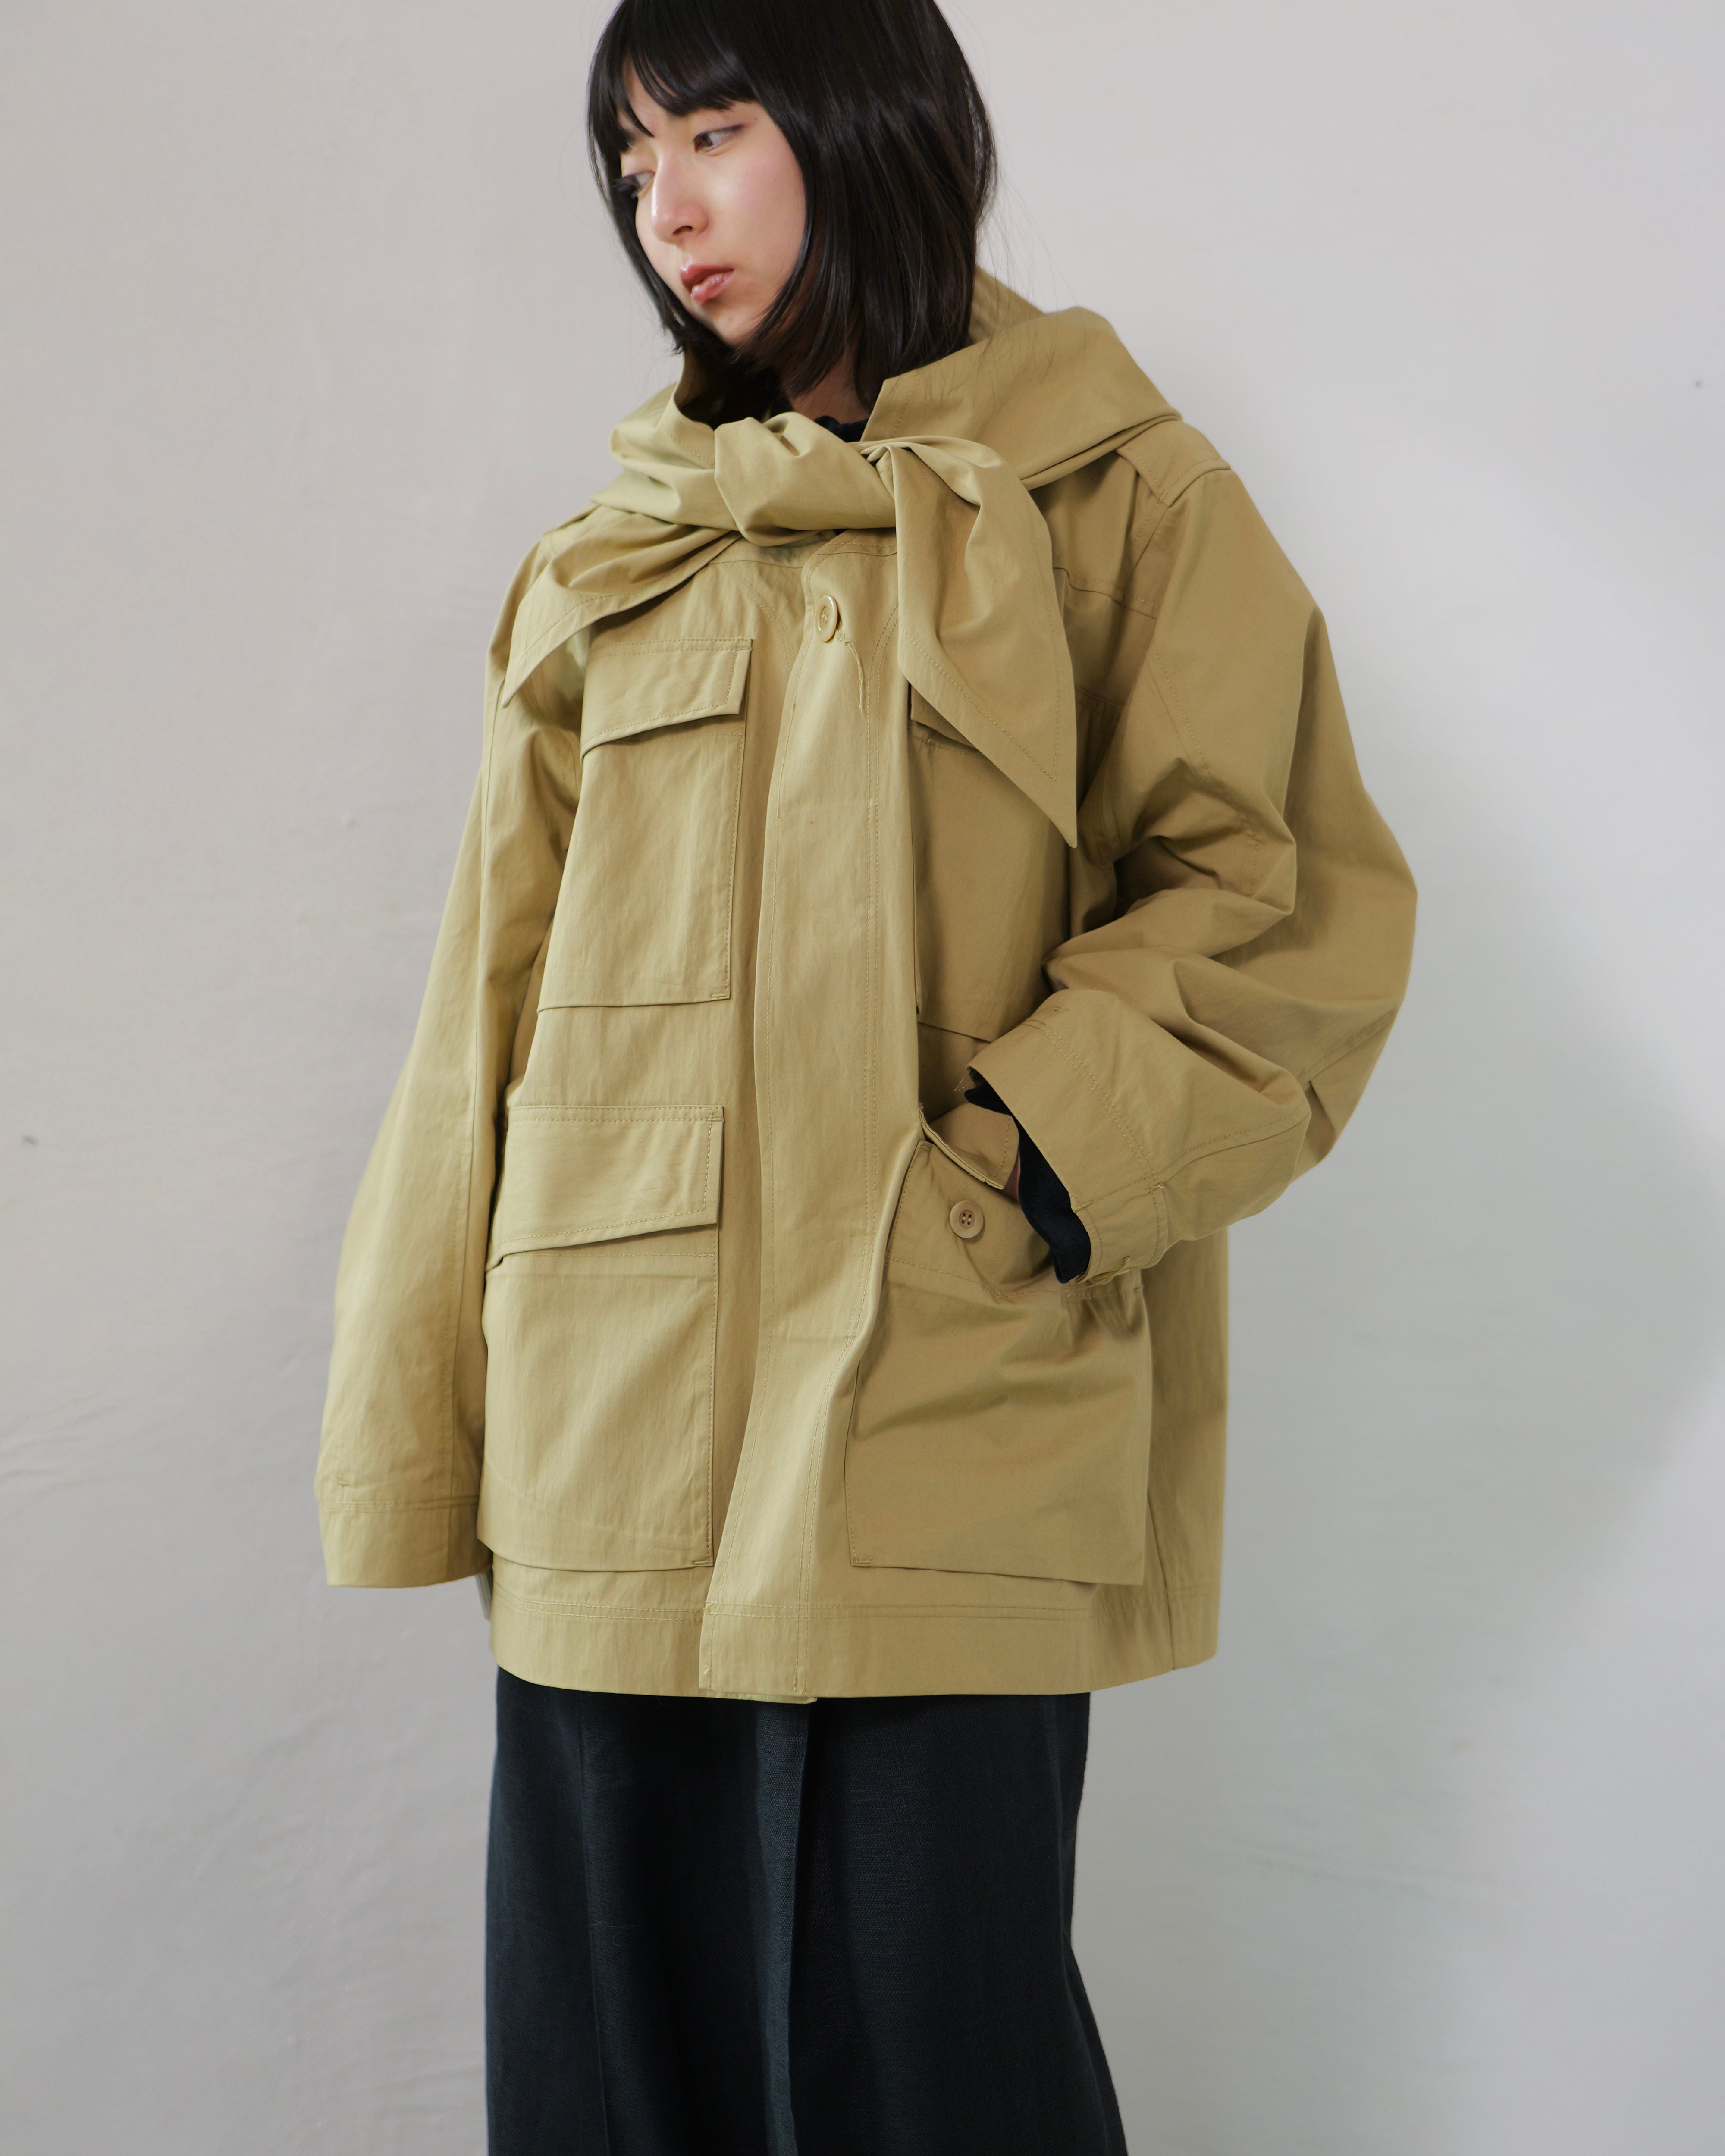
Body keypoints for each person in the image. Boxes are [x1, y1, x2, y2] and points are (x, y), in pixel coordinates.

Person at [314, 1, 1418, 2148]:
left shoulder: (1118, 497)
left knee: (935, 2071)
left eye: (714, 131)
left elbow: (1279, 900)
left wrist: (1017, 1172)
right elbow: (483, 1020)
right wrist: (416, 1419)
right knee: (616, 2089)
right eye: (631, 159)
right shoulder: (617, 553)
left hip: (949, 1420)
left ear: (868, 119)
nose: (666, 204)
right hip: (611, 1441)